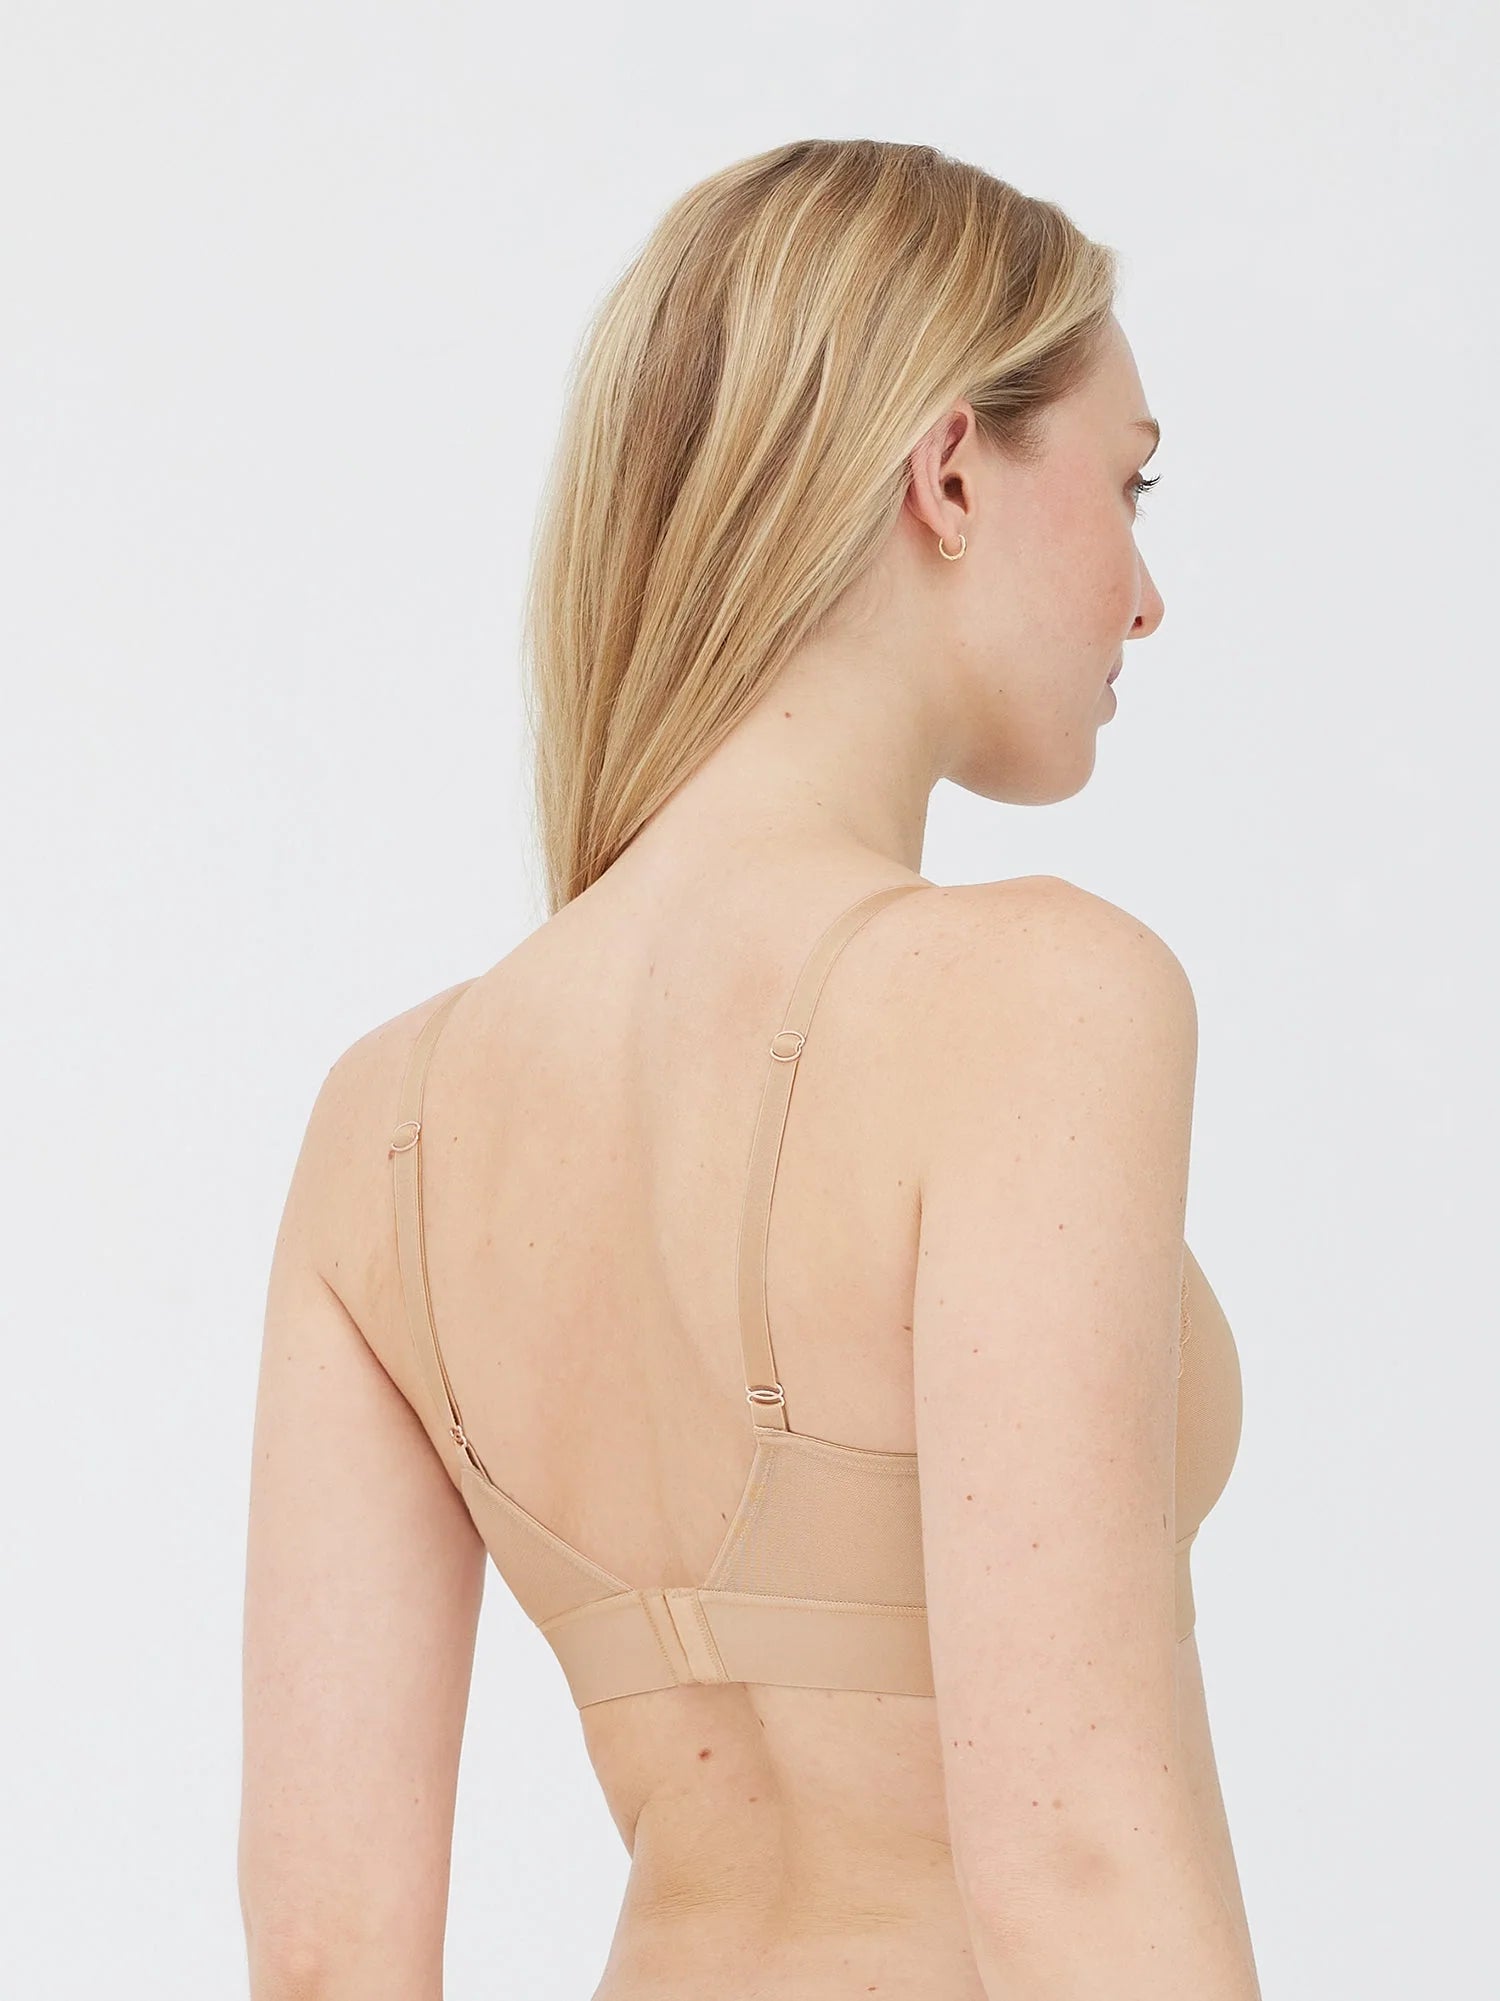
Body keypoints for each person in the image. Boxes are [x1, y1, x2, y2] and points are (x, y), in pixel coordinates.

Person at [238, 137, 1257, 1999]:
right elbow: (1081, 1859)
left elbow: (324, 1962)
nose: (1145, 595)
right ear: (950, 472)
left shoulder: (383, 1125)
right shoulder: (1035, 997)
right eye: (1131, 483)